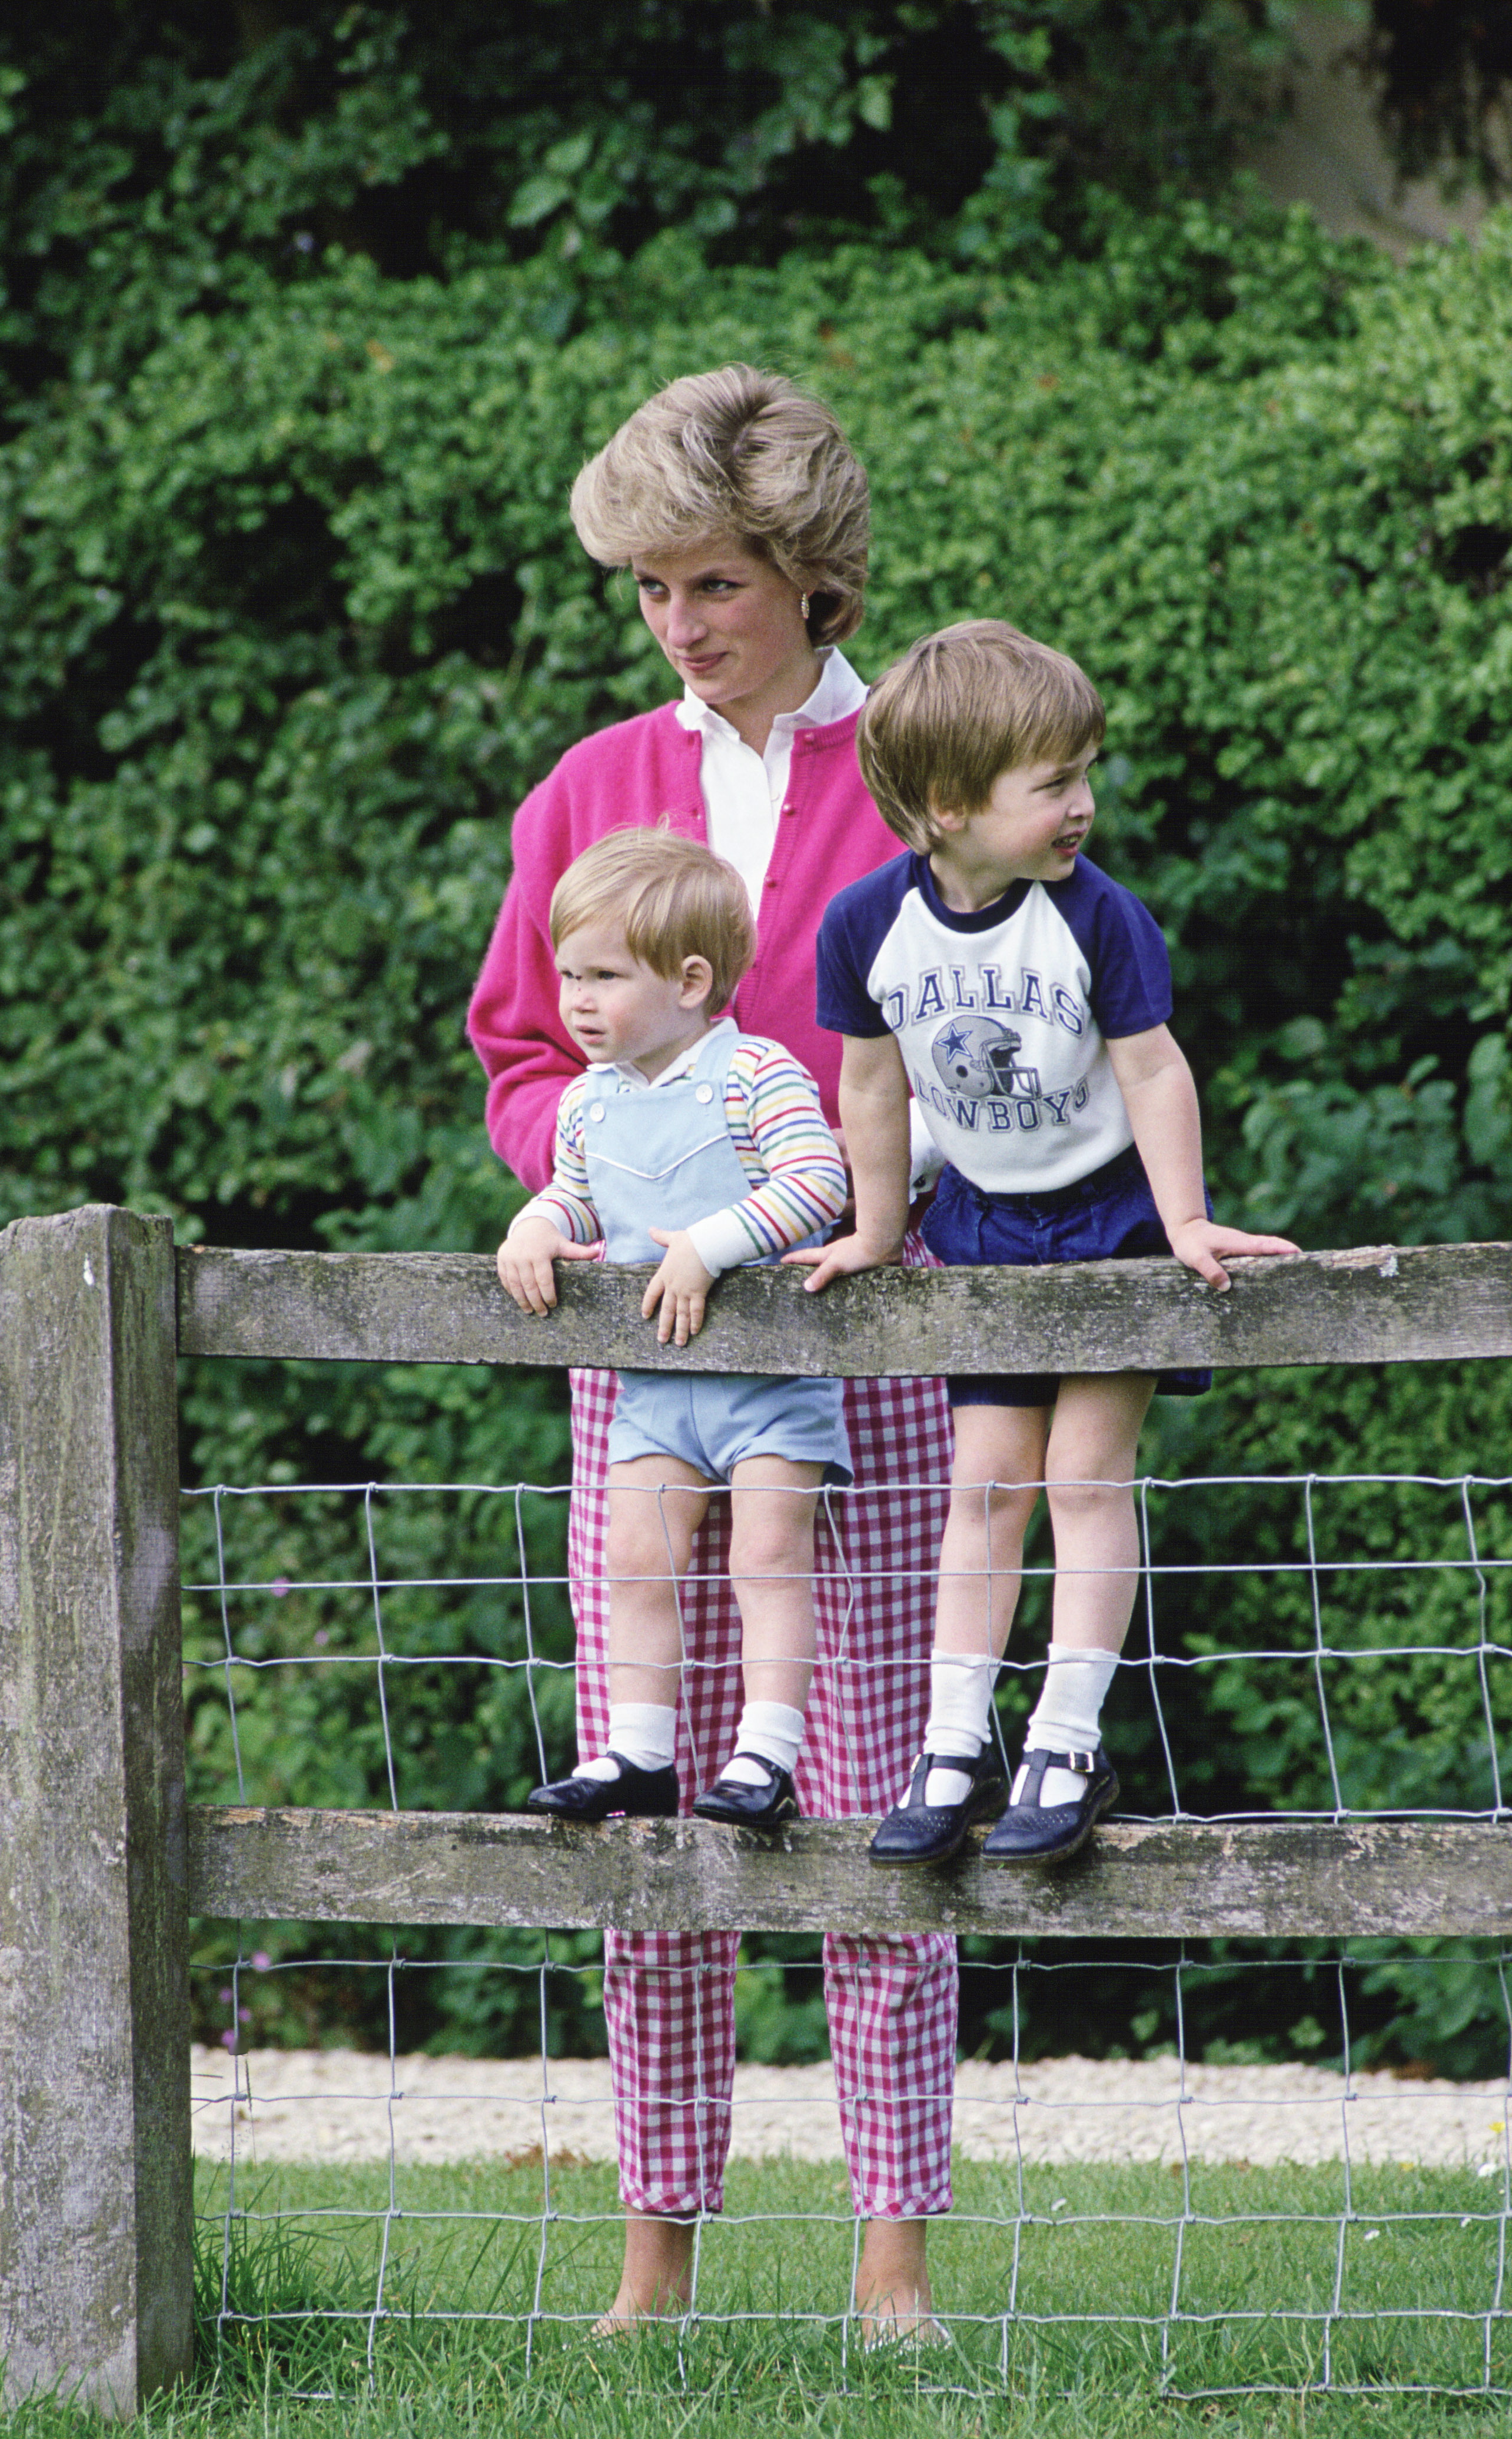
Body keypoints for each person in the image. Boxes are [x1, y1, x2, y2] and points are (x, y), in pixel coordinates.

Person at [468, 367, 958, 2342]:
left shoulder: (926, 765)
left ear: (811, 575)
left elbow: (1016, 1025)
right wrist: (589, 1186)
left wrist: (894, 1200)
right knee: (653, 1801)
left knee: (872, 1802)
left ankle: (892, 2268)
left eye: (715, 582)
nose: (678, 620)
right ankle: (651, 2262)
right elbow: (522, 1049)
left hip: (880, 1343)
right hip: (653, 1357)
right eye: (652, 585)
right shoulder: (590, 787)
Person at [799, 619, 1300, 1865]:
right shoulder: (865, 926)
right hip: (980, 1224)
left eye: (1086, 773)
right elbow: (871, 1089)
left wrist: (1183, 1220)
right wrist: (876, 1229)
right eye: (1053, 783)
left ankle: (1066, 1741)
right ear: (948, 806)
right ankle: (953, 1744)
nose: (1083, 804)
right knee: (982, 1488)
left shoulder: (1098, 917)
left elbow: (1153, 1069)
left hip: (1110, 1216)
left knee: (1082, 1476)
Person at [498, 829, 851, 1827]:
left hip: (769, 1386)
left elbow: (820, 1181)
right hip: (653, 1389)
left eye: (604, 977)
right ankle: (640, 1754)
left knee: (767, 1560)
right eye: (569, 975)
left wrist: (711, 1243)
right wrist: (535, 1225)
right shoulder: (586, 1103)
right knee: (635, 1562)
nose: (576, 1000)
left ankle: (765, 1756)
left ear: (692, 982)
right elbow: (578, 1197)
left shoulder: (758, 1073)